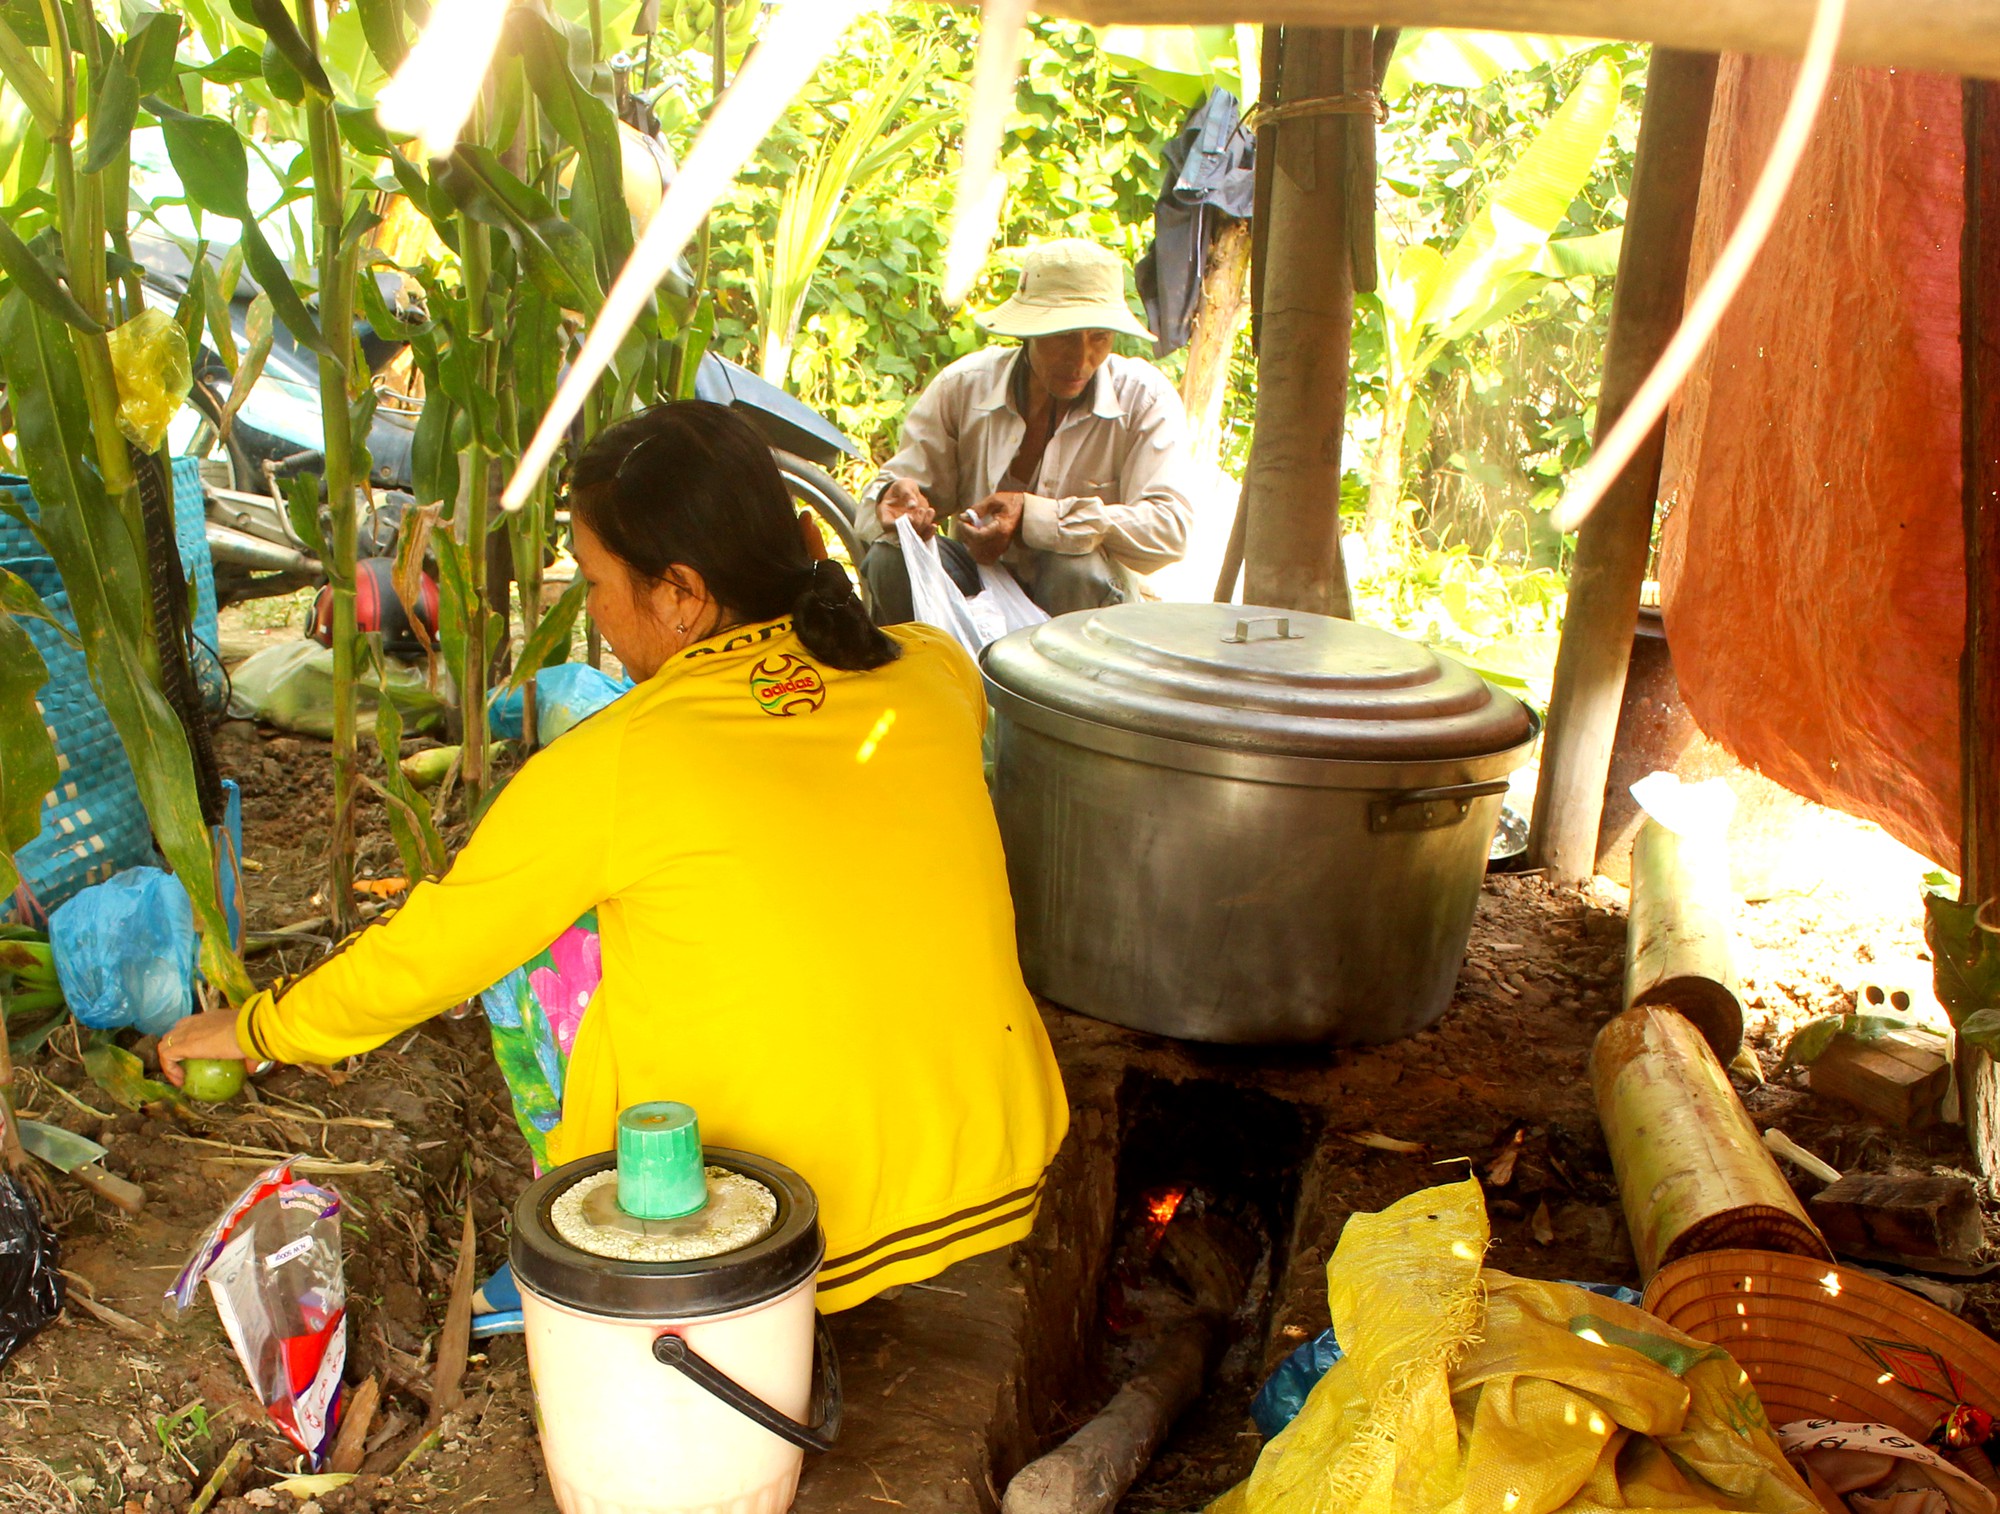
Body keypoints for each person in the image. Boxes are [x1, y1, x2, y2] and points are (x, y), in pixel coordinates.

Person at [159, 402, 1070, 1313]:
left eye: (594, 583)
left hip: (784, 1240)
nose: (589, 607)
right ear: (802, 534)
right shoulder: (935, 669)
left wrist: (256, 1030)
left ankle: (595, 1239)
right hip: (998, 1166)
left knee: (535, 947)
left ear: (679, 593)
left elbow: (432, 954)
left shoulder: (620, 758)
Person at [858, 238, 1197, 624]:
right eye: (1064, 337)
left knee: (1072, 569)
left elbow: (1170, 529)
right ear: (1029, 333)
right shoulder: (964, 386)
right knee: (890, 557)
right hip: (978, 586)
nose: (1081, 361)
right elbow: (896, 491)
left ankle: (1056, 685)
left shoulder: (1144, 399)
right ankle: (926, 677)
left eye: (1098, 338)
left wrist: (1040, 519)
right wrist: (895, 499)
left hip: (1083, 610)